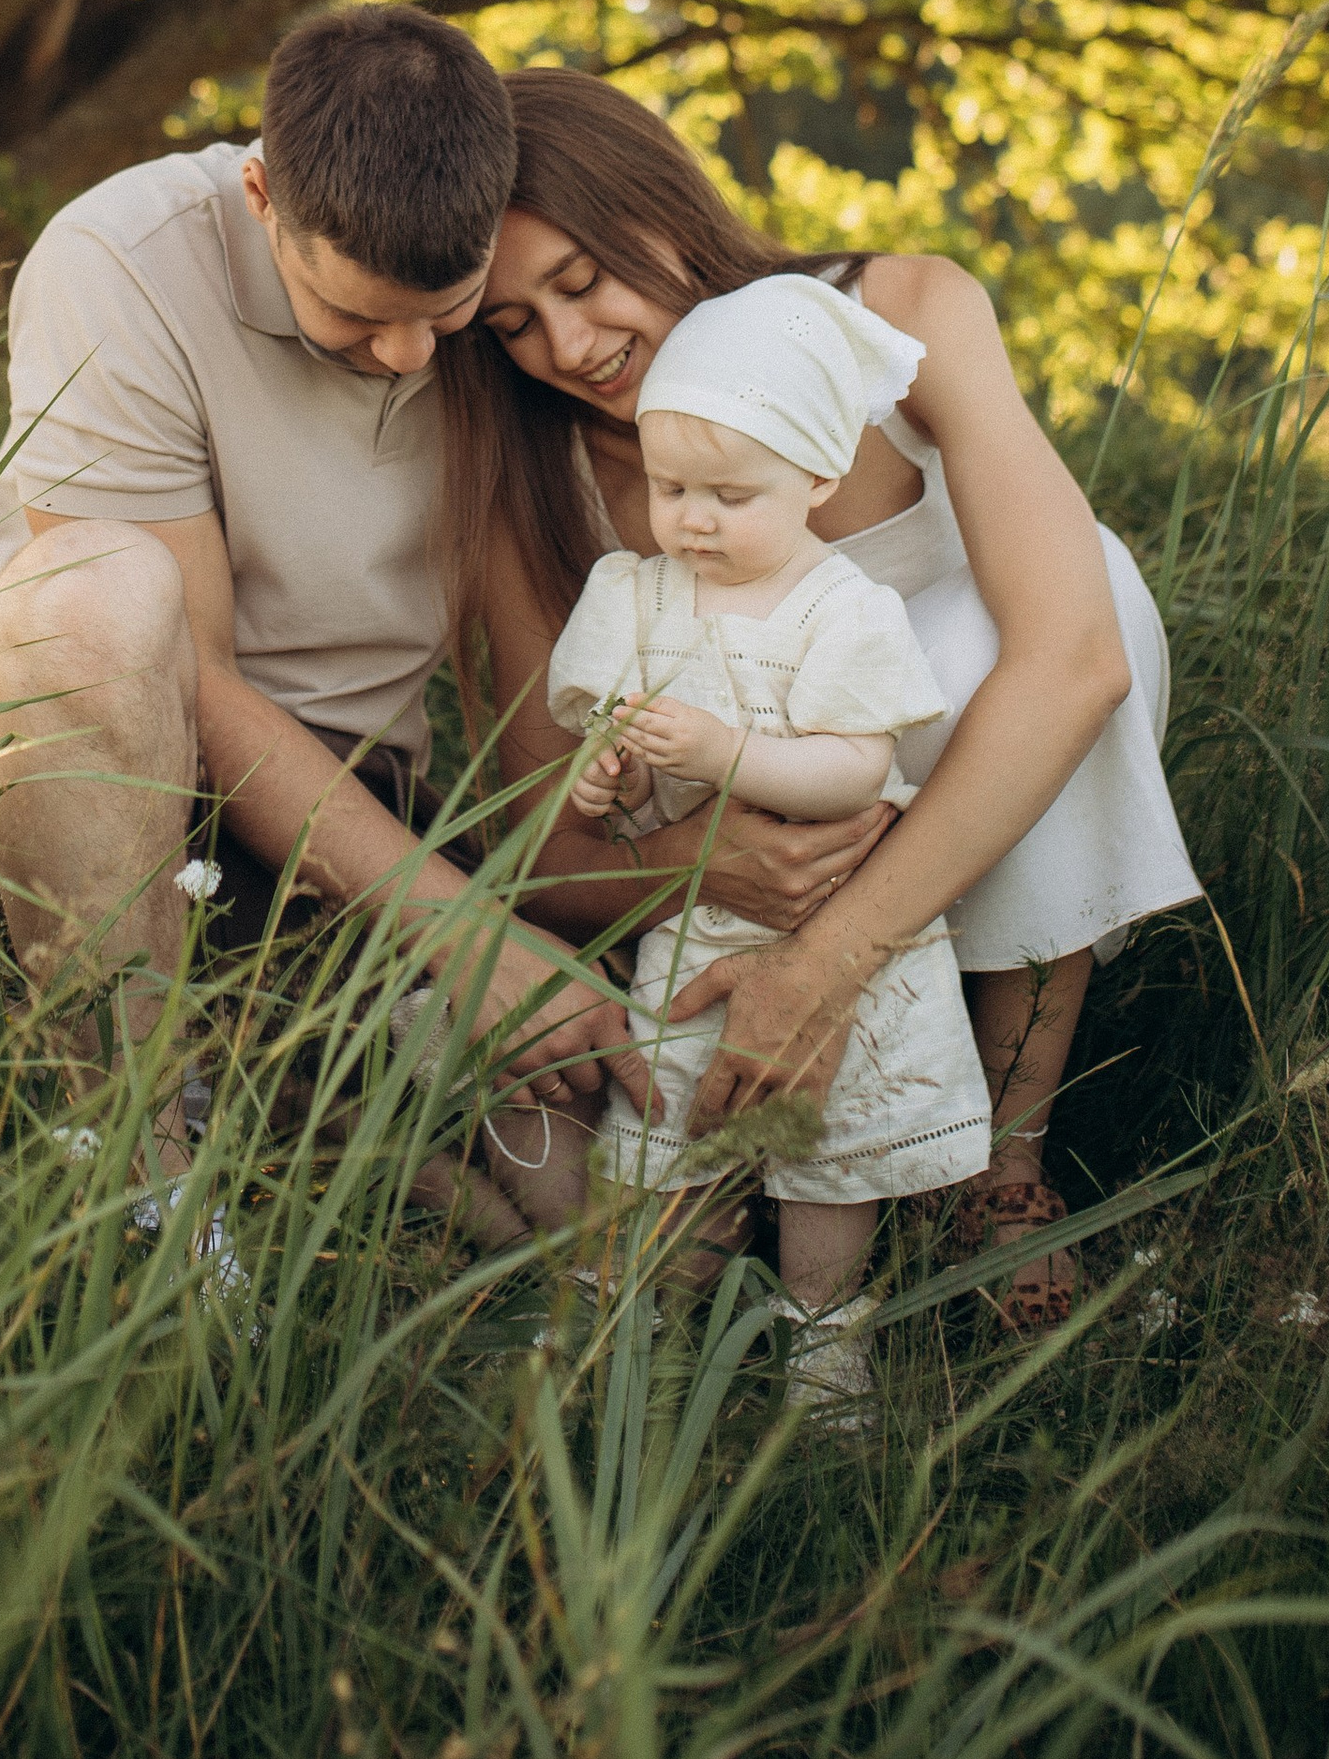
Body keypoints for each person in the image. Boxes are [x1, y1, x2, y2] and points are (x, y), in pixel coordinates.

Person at [442, 68, 1202, 1326]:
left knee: (1086, 594)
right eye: (515, 325)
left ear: (664, 211)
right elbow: (541, 847)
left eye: (581, 283)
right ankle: (776, 1181)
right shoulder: (537, 470)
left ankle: (1001, 1162)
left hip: (956, 796)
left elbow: (1076, 656)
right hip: (733, 840)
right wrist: (707, 858)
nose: (567, 348)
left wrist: (830, 959)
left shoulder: (894, 313)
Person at [0, 5, 644, 1210]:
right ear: (261, 198)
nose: (408, 354)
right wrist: (463, 937)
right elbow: (189, 682)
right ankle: (139, 1194)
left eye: (445, 313)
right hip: (87, 746)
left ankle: (277, 1106)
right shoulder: (120, 261)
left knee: (552, 1182)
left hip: (343, 810)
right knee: (108, 598)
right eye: (357, 318)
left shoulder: (509, 274)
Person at [551, 273, 990, 1424]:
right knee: (661, 1123)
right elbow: (621, 772)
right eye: (672, 488)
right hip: (696, 919)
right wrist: (617, 772)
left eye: (730, 494)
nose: (694, 519)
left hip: (835, 922)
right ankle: (634, 1325)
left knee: (823, 1152)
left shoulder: (843, 610)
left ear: (818, 480)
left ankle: (820, 1337)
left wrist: (720, 746)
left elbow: (852, 769)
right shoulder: (641, 598)